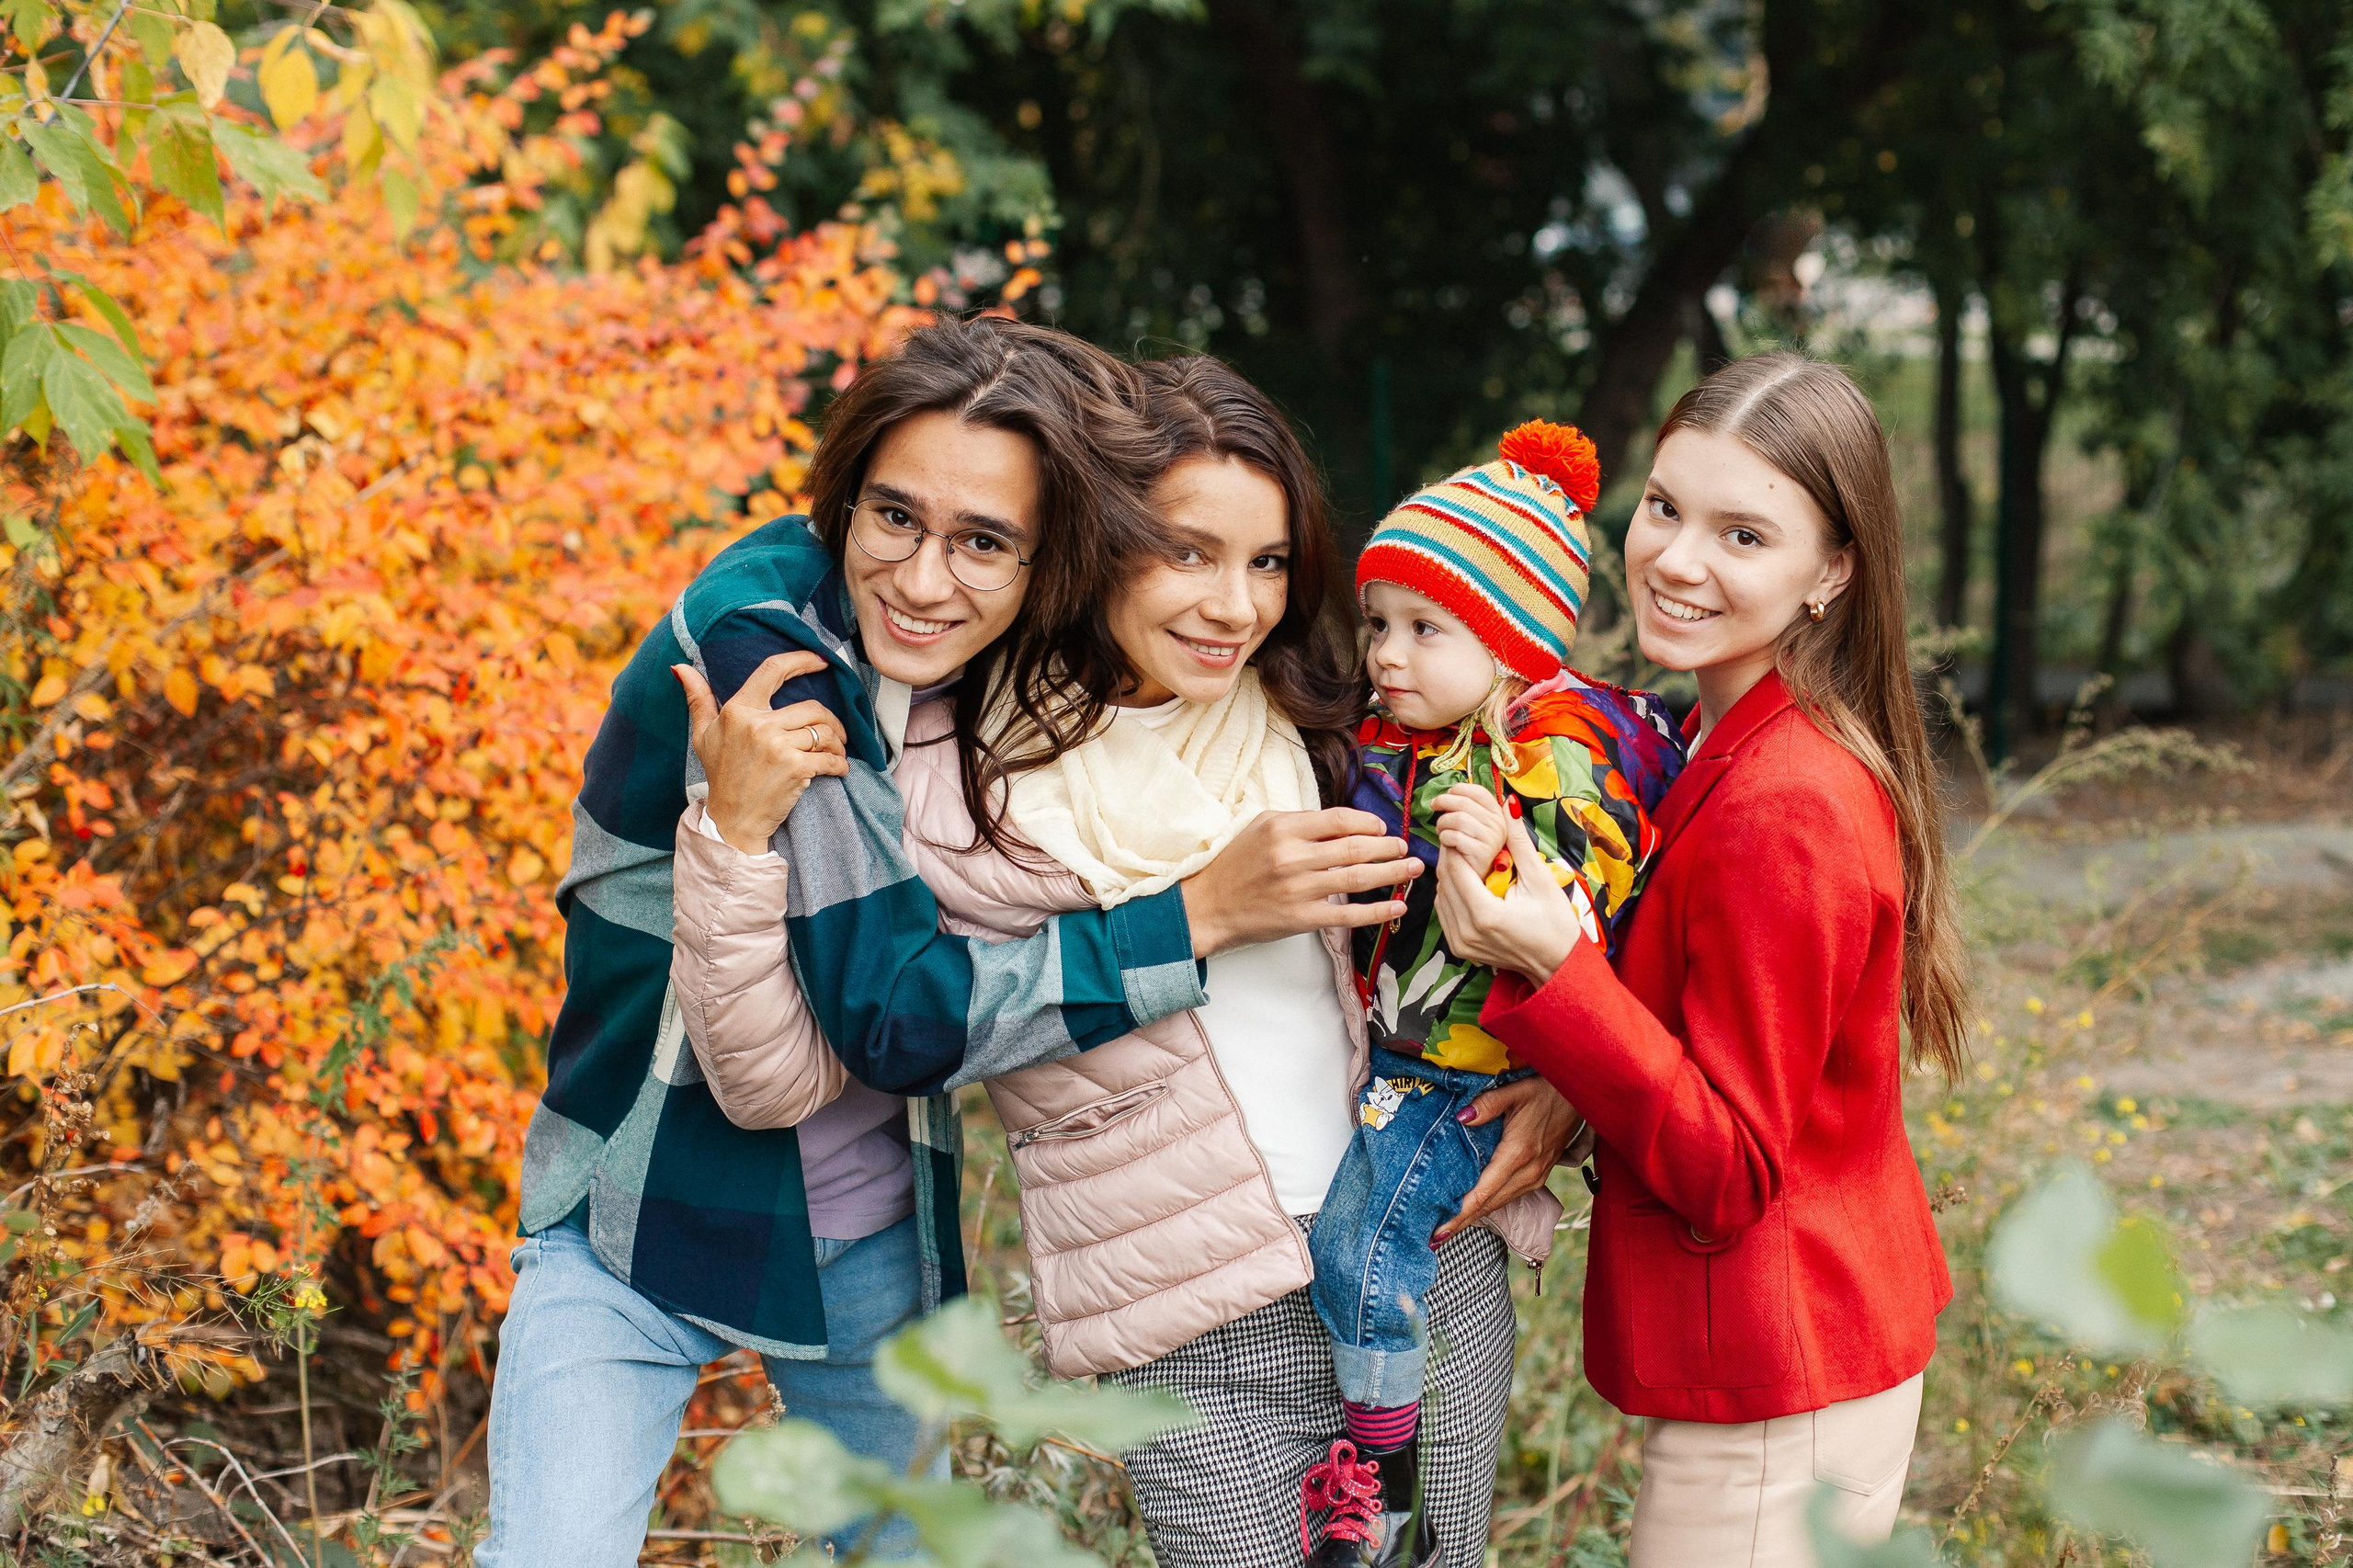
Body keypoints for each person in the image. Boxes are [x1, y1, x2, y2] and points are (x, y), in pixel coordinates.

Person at [482, 319, 1427, 1567]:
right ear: (845, 503)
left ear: (1054, 560)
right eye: (894, 519)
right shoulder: (771, 657)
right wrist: (1190, 916)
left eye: (985, 541)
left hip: (864, 1223)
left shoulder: (1011, 682)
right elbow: (894, 1020)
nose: (927, 580)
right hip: (642, 1196)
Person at [669, 355, 1580, 1568]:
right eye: (1190, 553)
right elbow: (782, 1074)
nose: (1235, 606)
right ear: (1097, 544)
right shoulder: (949, 780)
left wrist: (1572, 1089)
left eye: (1268, 564)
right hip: (1192, 1323)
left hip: (1421, 1265)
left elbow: (1558, 900)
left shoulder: (1328, 717)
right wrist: (730, 839)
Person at [1427, 353, 1969, 1568]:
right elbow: (1713, 1032)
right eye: (1666, 506)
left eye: (1743, 533)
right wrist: (1573, 1090)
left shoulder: (1790, 799)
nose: (1675, 558)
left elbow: (1732, 1163)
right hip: (1795, 1363)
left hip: (1789, 1389)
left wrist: (1551, 963)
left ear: (1832, 571)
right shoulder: (1716, 734)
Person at [1301, 422, 1688, 1568]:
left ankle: (1377, 1470)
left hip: (1458, 1076)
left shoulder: (1552, 755)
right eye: (1377, 623)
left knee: (1359, 1241)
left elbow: (1573, 912)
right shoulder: (1409, 732)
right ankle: (1389, 1466)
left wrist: (1502, 853)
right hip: (1404, 1055)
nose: (1388, 652)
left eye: (1426, 627)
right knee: (1357, 1234)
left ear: (1513, 641)